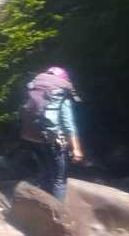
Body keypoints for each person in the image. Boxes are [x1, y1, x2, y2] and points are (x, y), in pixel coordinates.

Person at [21, 66, 84, 201]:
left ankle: (41, 206)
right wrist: (76, 149)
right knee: (59, 179)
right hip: (51, 140)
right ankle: (57, 212)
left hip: (32, 137)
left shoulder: (35, 88)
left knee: (44, 173)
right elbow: (69, 125)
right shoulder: (61, 92)